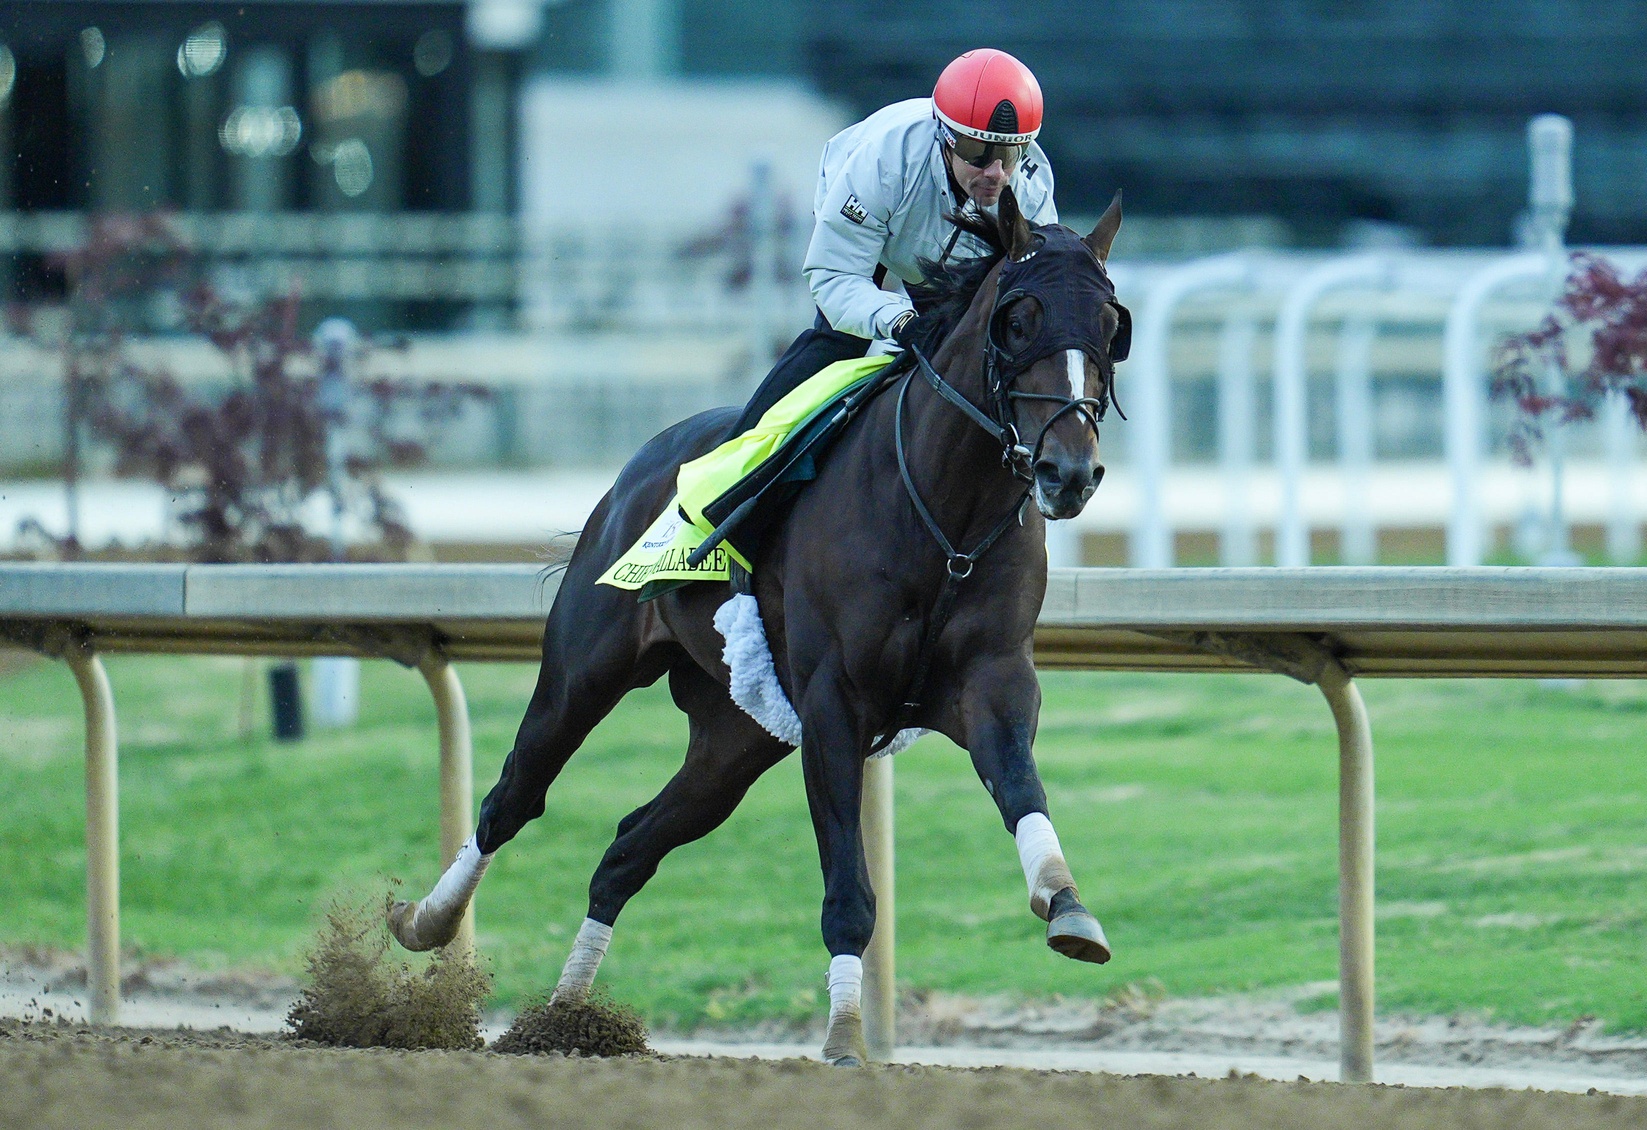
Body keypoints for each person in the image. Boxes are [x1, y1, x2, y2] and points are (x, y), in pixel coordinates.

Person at [729, 47, 1058, 433]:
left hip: (953, 255)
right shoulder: (885, 161)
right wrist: (899, 319)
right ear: (946, 136)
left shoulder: (1032, 190)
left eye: (1009, 153)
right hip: (882, 226)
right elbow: (834, 277)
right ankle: (741, 454)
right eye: (976, 151)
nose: (996, 172)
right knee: (841, 340)